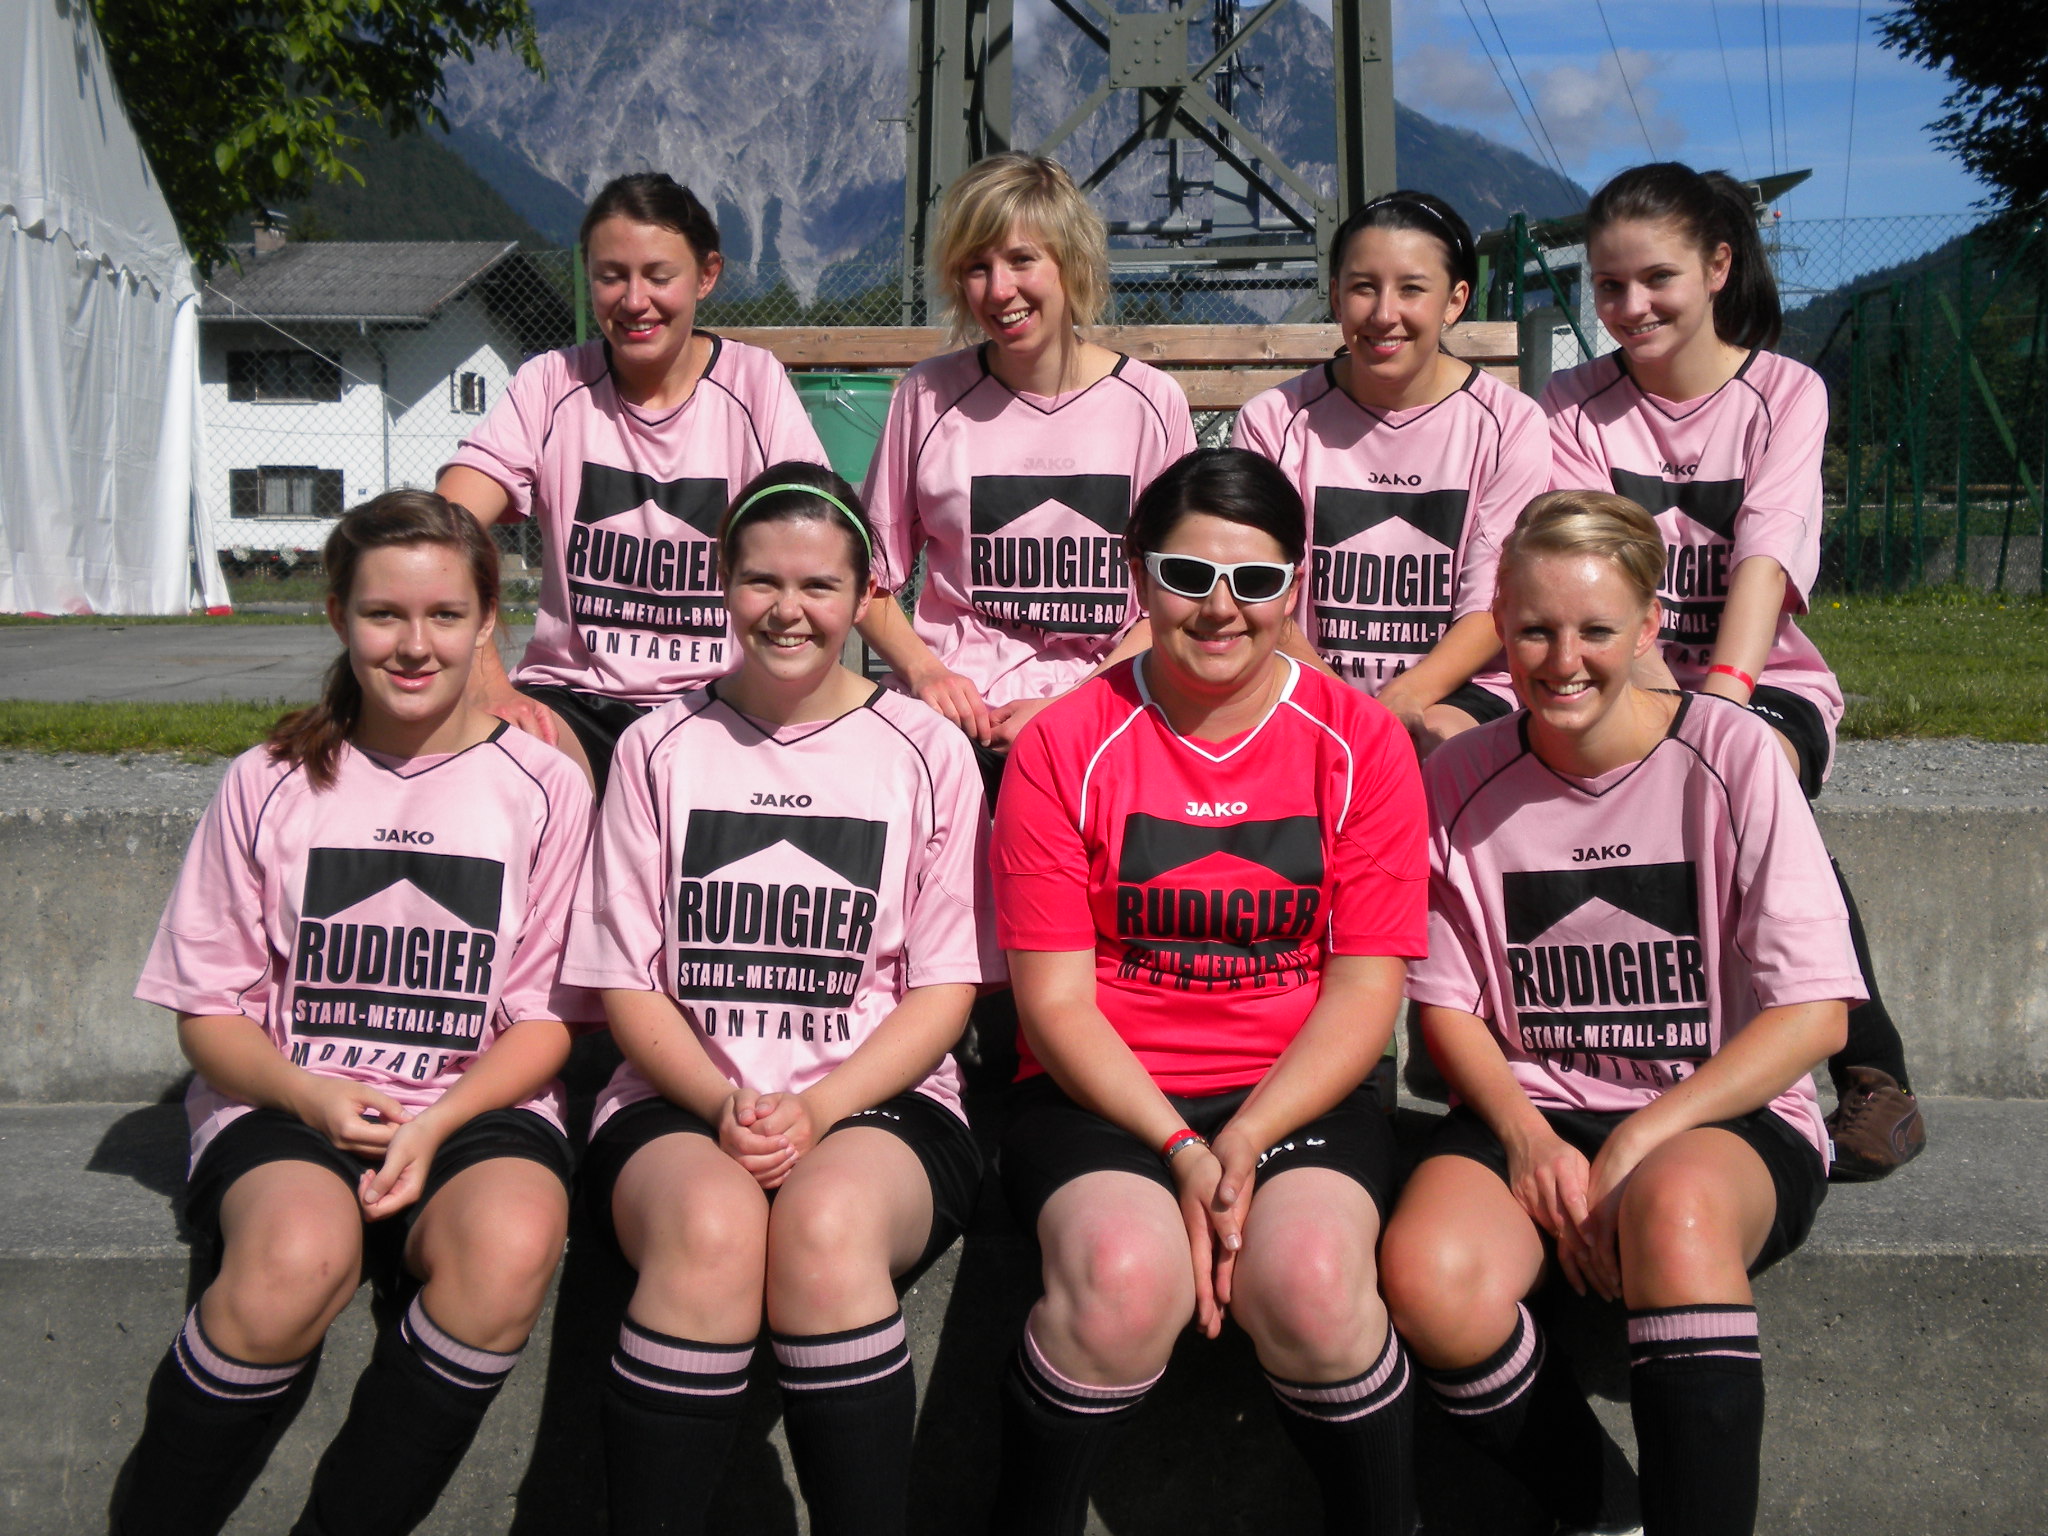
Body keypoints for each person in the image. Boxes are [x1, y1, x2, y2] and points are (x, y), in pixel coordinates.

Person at [114, 492, 596, 1536]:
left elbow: (547, 1019)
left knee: (510, 1244)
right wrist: (309, 1096)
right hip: (293, 1098)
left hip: (473, 1104)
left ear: (488, 622)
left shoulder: (546, 787)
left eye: (445, 615)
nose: (415, 645)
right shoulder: (270, 780)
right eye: (384, 614)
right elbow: (209, 1014)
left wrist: (440, 1119)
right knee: (297, 1260)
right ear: (337, 616)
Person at [1381, 489, 1859, 1536]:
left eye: (1595, 630)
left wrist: (1637, 1141)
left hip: (1714, 1115)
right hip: (1530, 1109)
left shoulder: (1733, 757)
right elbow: (1444, 1012)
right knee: (1427, 1275)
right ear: (1497, 628)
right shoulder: (1458, 777)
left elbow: (1815, 1017)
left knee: (1673, 1213)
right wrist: (1525, 1138)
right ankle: (1603, 1512)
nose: (1563, 661)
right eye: (1534, 631)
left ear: (1649, 627)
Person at [988, 447, 1428, 1536]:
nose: (1220, 608)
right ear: (1137, 572)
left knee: (1315, 1282)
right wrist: (1183, 1147)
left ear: (1296, 584)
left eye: (1256, 579)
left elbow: (1364, 992)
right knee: (1123, 1281)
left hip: (1296, 1091)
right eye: (1187, 576)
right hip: (1100, 1093)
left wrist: (1248, 1135)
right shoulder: (1062, 744)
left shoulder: (1361, 742)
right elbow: (1054, 1005)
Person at [563, 462, 1002, 1536]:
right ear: (722, 582)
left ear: (865, 595)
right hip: (680, 1097)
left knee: (826, 1226)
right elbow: (627, 984)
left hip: (879, 1100)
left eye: (818, 585)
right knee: (710, 1228)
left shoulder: (928, 750)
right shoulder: (658, 747)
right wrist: (723, 1104)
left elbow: (944, 989)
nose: (787, 609)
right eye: (761, 580)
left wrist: (817, 1108)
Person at [1543, 161, 1922, 1179]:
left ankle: (1873, 1075)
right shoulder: (1571, 404)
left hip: (1761, 679)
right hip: (1614, 679)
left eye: (1654, 279)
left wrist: (1720, 701)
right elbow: (1584, 570)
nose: (1629, 306)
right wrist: (1652, 703)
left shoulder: (1783, 392)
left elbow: (1766, 555)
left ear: (1716, 267)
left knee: (1747, 775)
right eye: (1608, 285)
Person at [438, 172, 827, 796]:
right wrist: (487, 679)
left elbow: (822, 538)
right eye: (611, 276)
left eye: (659, 276)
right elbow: (443, 525)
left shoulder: (754, 385)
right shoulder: (551, 383)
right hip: (573, 699)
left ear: (706, 276)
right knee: (497, 774)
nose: (634, 300)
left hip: (718, 699)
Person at [859, 152, 1197, 794]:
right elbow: (866, 581)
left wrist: (1076, 705)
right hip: (954, 724)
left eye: (1021, 260)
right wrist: (927, 673)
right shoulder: (927, 396)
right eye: (976, 267)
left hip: (1104, 711)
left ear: (1071, 263)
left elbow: (1176, 598)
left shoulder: (1150, 405)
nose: (999, 290)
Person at [1234, 190, 1547, 756]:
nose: (1384, 314)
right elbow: (1262, 594)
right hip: (1301, 680)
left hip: (1460, 687)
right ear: (1335, 296)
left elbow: (1494, 602)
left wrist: (1402, 701)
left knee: (1444, 744)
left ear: (1454, 301)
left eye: (1411, 289)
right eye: (1363, 287)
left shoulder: (1510, 424)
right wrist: (1346, 710)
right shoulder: (1274, 421)